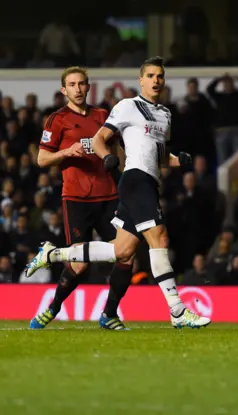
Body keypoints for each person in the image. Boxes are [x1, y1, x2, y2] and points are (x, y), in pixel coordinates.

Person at [25, 57, 210, 329]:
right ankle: (178, 310)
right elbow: (50, 156)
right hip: (100, 190)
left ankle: (58, 260)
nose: (156, 80)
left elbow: (151, 152)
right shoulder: (121, 107)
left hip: (120, 190)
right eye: (151, 75)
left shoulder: (162, 115)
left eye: (160, 76)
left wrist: (175, 160)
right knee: (157, 237)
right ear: (141, 80)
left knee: (123, 252)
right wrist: (87, 155)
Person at [31, 66, 132, 331]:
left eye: (82, 84)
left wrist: (125, 173)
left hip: (109, 196)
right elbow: (42, 159)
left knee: (127, 255)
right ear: (64, 90)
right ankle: (52, 308)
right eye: (72, 84)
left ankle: (109, 314)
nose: (78, 88)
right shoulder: (57, 119)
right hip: (76, 198)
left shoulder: (102, 115)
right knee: (79, 265)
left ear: (88, 87)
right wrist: (66, 152)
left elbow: (118, 149)